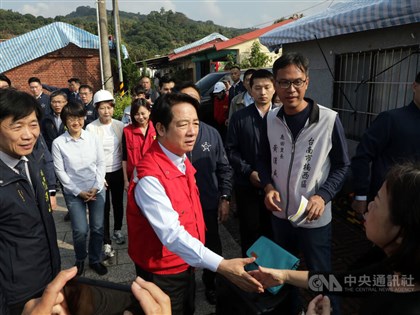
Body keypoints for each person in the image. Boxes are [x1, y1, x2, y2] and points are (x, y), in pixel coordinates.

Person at [126, 93, 263, 315]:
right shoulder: (149, 176)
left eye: (196, 124)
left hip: (184, 262)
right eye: (183, 125)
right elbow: (172, 235)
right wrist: (222, 265)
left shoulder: (179, 157)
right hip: (162, 272)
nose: (192, 132)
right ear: (160, 128)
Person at [250, 162, 420, 315]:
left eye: (377, 201)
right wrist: (284, 275)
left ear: (403, 231)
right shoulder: (393, 268)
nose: (369, 205)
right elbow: (341, 282)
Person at [258, 52, 350, 314]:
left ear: (307, 82)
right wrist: (268, 187)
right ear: (275, 84)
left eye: (297, 81)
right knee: (282, 271)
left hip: (314, 217)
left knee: (321, 275)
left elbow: (343, 165)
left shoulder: (329, 119)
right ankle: (293, 310)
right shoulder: (271, 119)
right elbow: (262, 159)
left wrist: (323, 196)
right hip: (280, 213)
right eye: (284, 82)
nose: (291, 89)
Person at [0, 88, 61, 315]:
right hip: (17, 297)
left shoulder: (33, 160)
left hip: (48, 276)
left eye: (33, 124)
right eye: (17, 126)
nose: (28, 135)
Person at [179, 82, 233, 305]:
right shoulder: (169, 136)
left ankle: (211, 285)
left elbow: (224, 167)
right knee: (181, 247)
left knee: (212, 245)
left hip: (208, 202)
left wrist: (225, 197)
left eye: (194, 99)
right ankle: (184, 286)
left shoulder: (212, 133)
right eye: (184, 99)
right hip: (180, 207)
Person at [351, 71, 420, 214]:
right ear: (414, 86)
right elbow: (362, 156)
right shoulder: (391, 119)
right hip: (389, 201)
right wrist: (361, 195)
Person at [52, 102, 107, 276]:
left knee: (98, 227)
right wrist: (78, 191)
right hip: (74, 193)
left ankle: (95, 259)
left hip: (95, 189)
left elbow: (101, 163)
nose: (76, 122)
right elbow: (60, 171)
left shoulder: (92, 138)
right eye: (71, 118)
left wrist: (97, 186)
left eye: (79, 117)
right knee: (80, 230)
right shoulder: (58, 143)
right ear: (65, 120)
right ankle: (80, 258)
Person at [225, 69, 276, 257]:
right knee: (249, 230)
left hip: (275, 185)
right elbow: (231, 149)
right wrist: (248, 172)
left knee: (273, 230)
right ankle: (250, 273)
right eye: (258, 88)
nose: (262, 92)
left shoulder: (281, 117)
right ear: (250, 89)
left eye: (267, 87)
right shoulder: (240, 117)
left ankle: (272, 273)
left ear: (274, 89)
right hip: (247, 184)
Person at [122, 98, 156, 191]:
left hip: (155, 176)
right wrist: (125, 180)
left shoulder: (157, 129)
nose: (140, 117)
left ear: (149, 112)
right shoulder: (127, 131)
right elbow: (124, 158)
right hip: (135, 178)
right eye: (137, 114)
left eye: (143, 113)